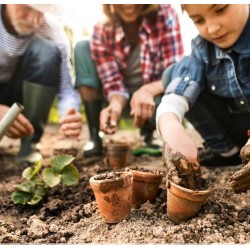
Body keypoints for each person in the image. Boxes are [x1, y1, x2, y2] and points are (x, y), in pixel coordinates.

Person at [74, 4, 184, 157]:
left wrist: (147, 91)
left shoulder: (165, 15)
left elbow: (174, 72)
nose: (128, 4)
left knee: (174, 97)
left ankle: (149, 133)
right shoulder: (101, 30)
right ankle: (94, 135)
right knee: (82, 47)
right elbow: (112, 82)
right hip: (120, 100)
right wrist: (116, 104)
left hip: (154, 99)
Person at [156, 4, 250, 171]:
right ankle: (227, 152)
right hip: (238, 128)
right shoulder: (202, 48)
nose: (213, 29)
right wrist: (171, 127)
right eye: (199, 20)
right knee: (172, 74)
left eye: (220, 9)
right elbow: (178, 91)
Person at [0, 4, 83, 164]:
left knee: (46, 52)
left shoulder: (52, 29)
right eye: (28, 8)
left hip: (22, 95)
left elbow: (66, 88)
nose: (34, 20)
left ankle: (29, 143)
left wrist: (69, 112)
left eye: (42, 11)